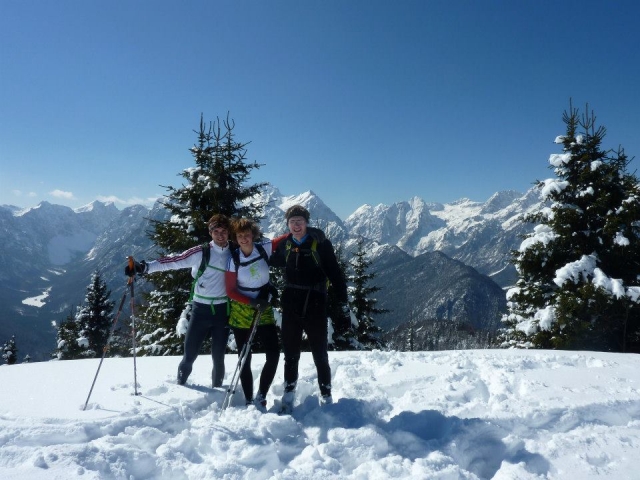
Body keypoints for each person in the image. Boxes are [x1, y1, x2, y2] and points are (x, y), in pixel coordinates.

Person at [125, 214, 232, 388]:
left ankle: (218, 392)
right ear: (210, 232)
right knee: (189, 355)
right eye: (216, 231)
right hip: (200, 310)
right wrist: (145, 267)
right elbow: (174, 261)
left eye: (224, 231)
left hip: (223, 310)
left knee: (218, 357)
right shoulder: (201, 252)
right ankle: (180, 388)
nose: (220, 235)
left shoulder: (235, 252)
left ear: (229, 232)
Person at [270, 205, 351, 413]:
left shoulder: (321, 244)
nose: (296, 225)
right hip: (291, 304)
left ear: (307, 222)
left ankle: (326, 395)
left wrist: (343, 305)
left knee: (320, 353)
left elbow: (335, 274)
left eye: (300, 221)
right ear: (287, 225)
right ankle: (289, 392)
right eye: (292, 222)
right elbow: (266, 259)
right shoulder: (285, 244)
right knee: (290, 353)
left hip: (316, 303)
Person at [224, 218, 287, 411]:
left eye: (247, 234)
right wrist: (251, 302)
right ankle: (249, 399)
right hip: (242, 310)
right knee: (245, 357)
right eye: (240, 236)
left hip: (264, 307)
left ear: (253, 235)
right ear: (236, 238)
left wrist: (304, 230)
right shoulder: (233, 259)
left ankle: (261, 396)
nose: (244, 238)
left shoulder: (263, 249)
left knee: (273, 354)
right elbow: (230, 291)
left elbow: (283, 239)